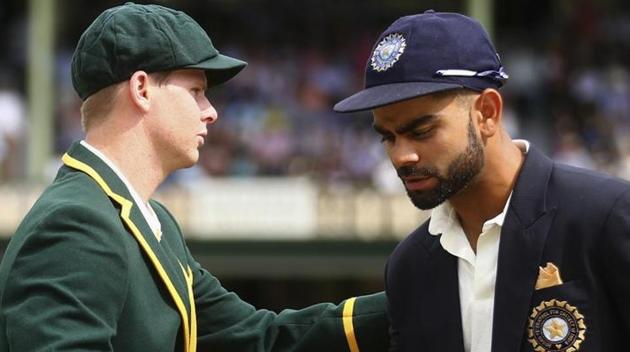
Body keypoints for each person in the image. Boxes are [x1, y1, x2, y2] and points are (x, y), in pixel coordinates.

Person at [0, 3, 389, 351]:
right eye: (196, 90)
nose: (211, 111)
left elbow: (257, 337)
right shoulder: (76, 222)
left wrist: (414, 298)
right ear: (141, 89)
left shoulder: (152, 220)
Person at [334, 10, 630, 352]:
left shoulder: (606, 218)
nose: (402, 156)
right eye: (387, 137)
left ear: (487, 113)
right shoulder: (409, 267)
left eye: (422, 131)